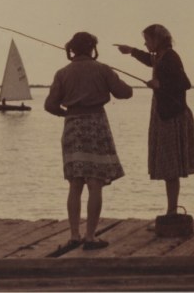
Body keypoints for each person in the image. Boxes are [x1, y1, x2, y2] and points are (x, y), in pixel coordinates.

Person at [44, 31, 133, 251]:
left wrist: (67, 115)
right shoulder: (102, 69)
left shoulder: (62, 73)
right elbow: (125, 93)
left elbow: (50, 105)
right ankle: (91, 236)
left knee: (75, 183)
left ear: (72, 49)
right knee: (95, 183)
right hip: (96, 124)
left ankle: (74, 235)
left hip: (73, 126)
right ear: (92, 48)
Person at [117, 24, 194, 216]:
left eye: (147, 40)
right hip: (165, 115)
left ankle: (171, 211)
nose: (145, 44)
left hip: (172, 117)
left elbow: (184, 83)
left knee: (171, 168)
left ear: (157, 40)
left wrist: (159, 84)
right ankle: (171, 210)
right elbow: (151, 61)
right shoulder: (163, 56)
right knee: (169, 168)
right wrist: (131, 51)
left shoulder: (170, 56)